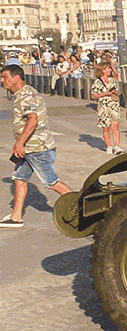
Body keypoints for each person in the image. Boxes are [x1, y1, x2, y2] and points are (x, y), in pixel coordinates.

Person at [1, 65, 73, 227]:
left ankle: (82, 206)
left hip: (37, 149)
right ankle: (16, 217)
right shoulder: (23, 93)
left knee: (51, 182)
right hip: (29, 148)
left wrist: (19, 142)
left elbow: (32, 120)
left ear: (16, 78)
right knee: (19, 179)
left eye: (5, 77)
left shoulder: (25, 95)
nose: (2, 80)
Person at [90, 62, 124, 155]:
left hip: (113, 104)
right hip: (103, 106)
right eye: (107, 69)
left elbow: (116, 89)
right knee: (106, 127)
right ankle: (109, 146)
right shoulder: (97, 82)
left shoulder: (112, 80)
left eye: (109, 69)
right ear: (102, 70)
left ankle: (117, 146)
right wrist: (104, 94)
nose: (109, 70)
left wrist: (115, 92)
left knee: (115, 125)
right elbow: (93, 96)